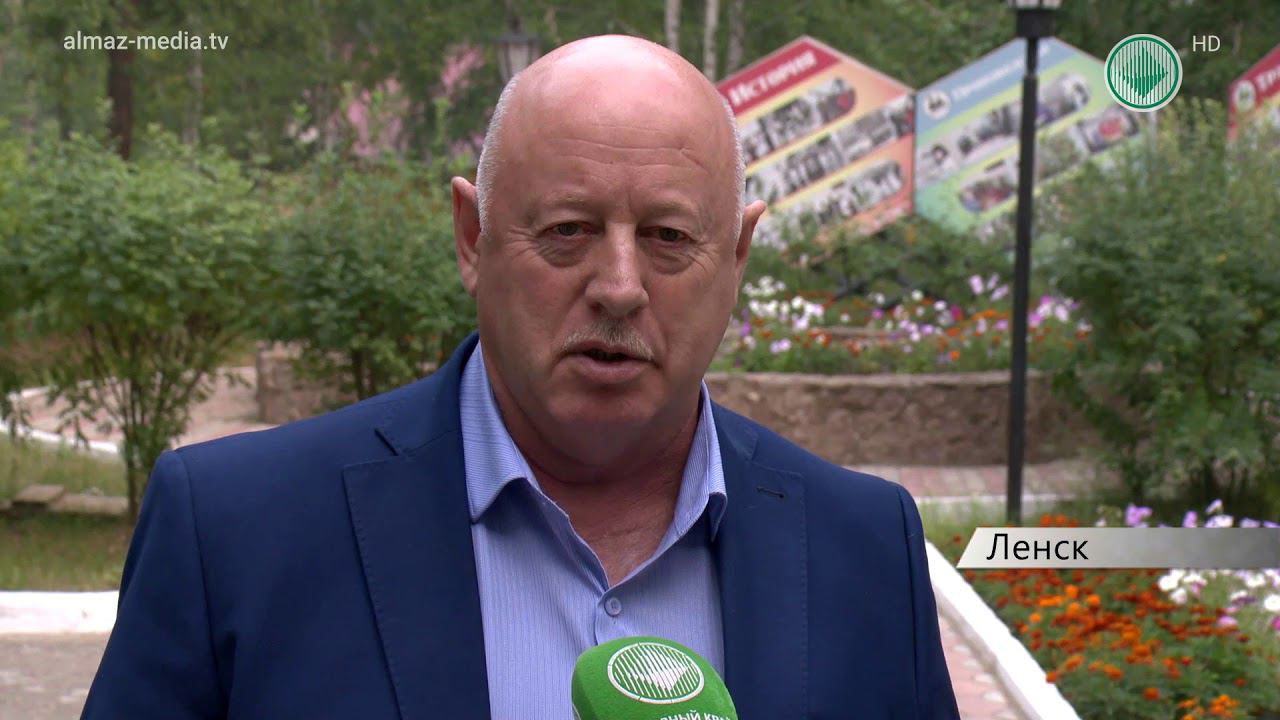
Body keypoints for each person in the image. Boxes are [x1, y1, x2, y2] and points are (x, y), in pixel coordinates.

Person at [83, 35, 959, 719]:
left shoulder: (865, 549)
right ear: (472, 238)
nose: (619, 286)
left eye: (668, 237)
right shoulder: (234, 534)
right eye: (569, 230)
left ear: (736, 256)